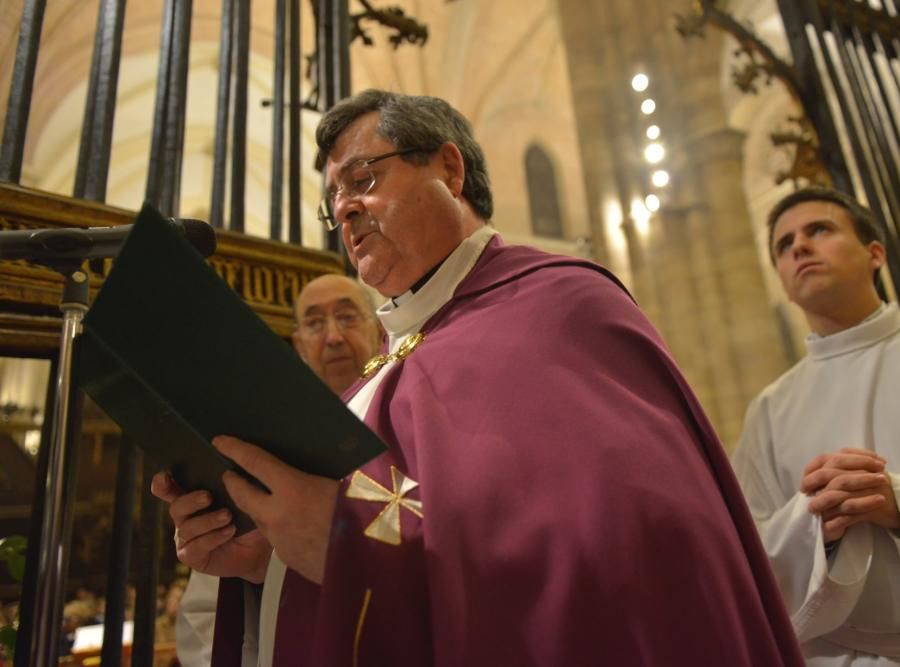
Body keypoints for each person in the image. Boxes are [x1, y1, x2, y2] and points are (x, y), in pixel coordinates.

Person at [155, 89, 803, 666]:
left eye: (362, 178)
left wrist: (340, 542)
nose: (346, 210)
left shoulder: (560, 309)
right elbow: (410, 525)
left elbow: (619, 552)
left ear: (449, 167)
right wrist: (270, 563)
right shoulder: (389, 364)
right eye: (333, 201)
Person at [731, 186, 900, 665]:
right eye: (783, 244)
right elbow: (748, 562)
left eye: (819, 230)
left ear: (875, 254)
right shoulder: (769, 412)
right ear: (783, 282)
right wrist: (819, 529)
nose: (799, 247)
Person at [173, 273, 382, 666]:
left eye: (348, 317)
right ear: (299, 345)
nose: (334, 337)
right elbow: (207, 617)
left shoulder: (407, 427)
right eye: (316, 323)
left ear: (379, 329)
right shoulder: (263, 451)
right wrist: (260, 573)